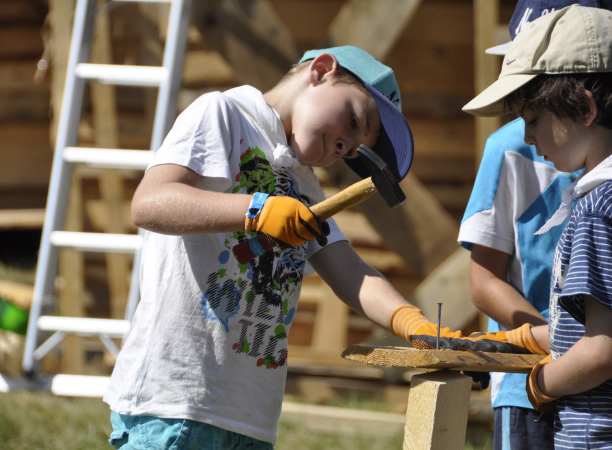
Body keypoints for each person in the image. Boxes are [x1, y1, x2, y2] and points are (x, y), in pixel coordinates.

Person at [102, 45, 474, 449]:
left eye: (351, 149)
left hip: (251, 418)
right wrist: (256, 210)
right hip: (175, 400)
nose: (344, 146)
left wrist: (413, 325)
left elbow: (350, 271)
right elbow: (150, 203)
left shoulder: (304, 186)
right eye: (353, 120)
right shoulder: (223, 115)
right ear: (322, 70)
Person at [459, 1, 610, 448]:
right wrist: (521, 337)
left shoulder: (598, 209)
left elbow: (601, 349)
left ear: (584, 108)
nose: (526, 137)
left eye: (533, 119)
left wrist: (537, 384)